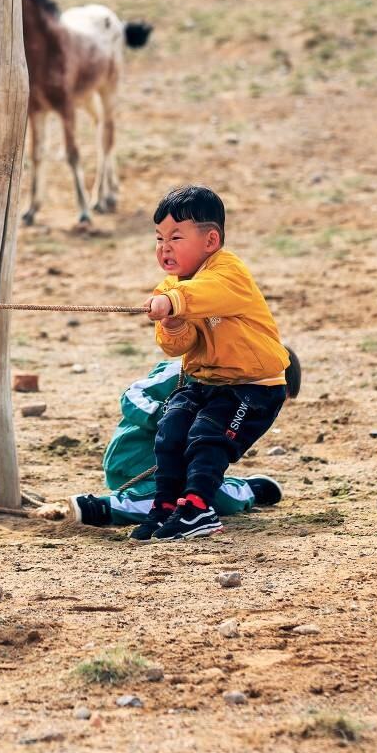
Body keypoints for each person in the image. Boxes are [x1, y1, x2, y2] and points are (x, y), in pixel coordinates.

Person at [132, 185, 293, 541]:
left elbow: (207, 292)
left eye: (176, 237)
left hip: (253, 387)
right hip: (206, 382)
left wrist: (174, 302)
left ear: (210, 240)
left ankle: (198, 507)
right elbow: (178, 346)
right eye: (159, 238)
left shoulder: (227, 272)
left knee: (208, 436)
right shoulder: (172, 288)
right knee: (171, 429)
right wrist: (173, 324)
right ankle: (166, 505)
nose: (164, 247)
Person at [51, 358, 300, 528]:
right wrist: (169, 418)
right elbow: (131, 395)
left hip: (180, 471)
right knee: (170, 505)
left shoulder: (238, 403)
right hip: (134, 461)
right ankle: (106, 508)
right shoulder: (190, 369)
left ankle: (248, 490)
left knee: (205, 501)